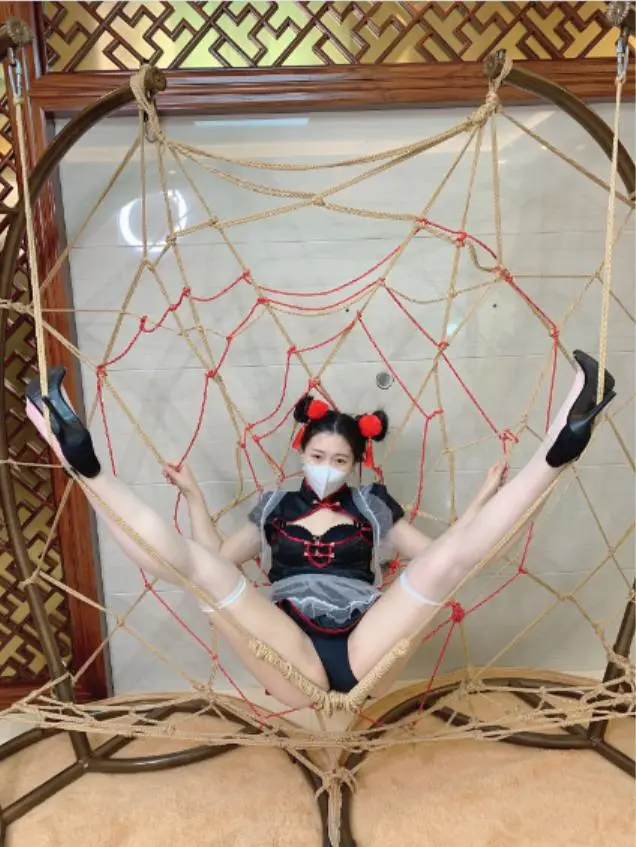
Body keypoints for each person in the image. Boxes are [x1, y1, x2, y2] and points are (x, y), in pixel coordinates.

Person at [25, 350, 615, 708]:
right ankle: (87, 468)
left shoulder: (373, 508)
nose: (327, 468)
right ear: (300, 452)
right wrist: (196, 500)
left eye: (340, 460)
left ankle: (558, 447)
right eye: (318, 456)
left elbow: (446, 557)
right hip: (289, 653)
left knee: (446, 568)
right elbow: (215, 563)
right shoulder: (273, 508)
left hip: (367, 648)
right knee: (199, 571)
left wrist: (483, 498)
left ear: (357, 465)